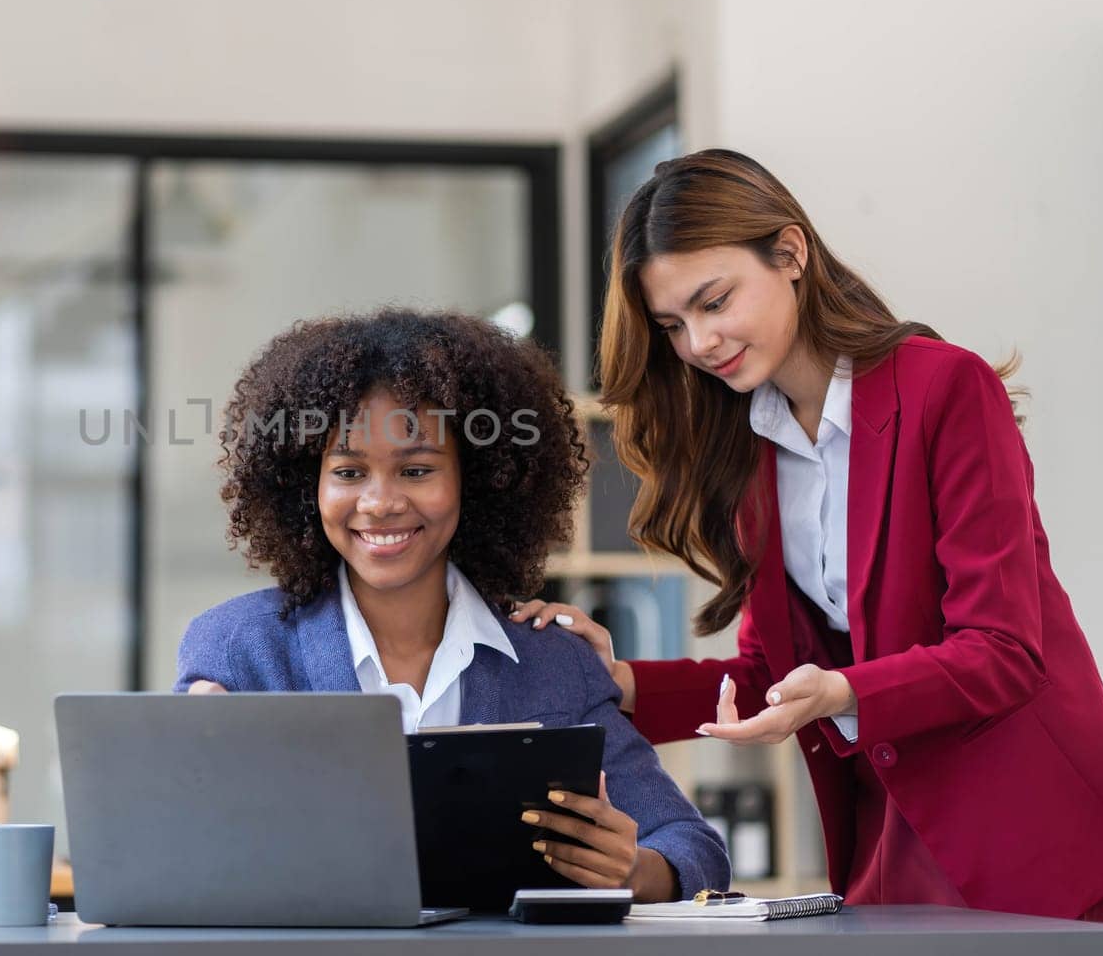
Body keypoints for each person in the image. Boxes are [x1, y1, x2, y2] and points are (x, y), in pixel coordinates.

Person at [513, 149, 1103, 920]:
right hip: (887, 842)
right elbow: (774, 671)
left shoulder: (946, 389)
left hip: (1030, 832)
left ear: (790, 253)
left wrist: (844, 691)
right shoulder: (749, 446)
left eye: (715, 301)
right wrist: (617, 681)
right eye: (673, 325)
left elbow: (1004, 651)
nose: (698, 343)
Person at [174, 308, 729, 902]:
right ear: (307, 485)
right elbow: (175, 856)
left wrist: (633, 869)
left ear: (479, 478)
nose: (380, 502)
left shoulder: (551, 663)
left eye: (417, 469)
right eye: (348, 471)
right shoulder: (237, 648)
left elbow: (693, 849)